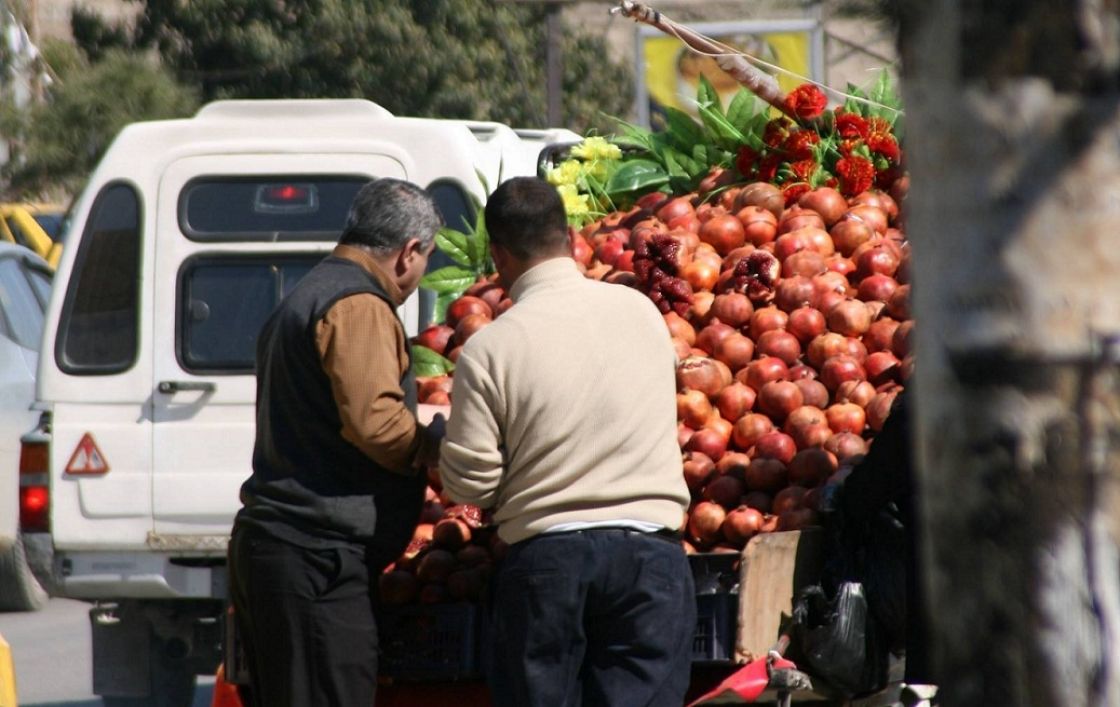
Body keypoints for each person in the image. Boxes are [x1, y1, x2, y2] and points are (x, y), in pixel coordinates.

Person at [439, 176, 695, 707]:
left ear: (498, 255)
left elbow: (471, 485)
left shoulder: (490, 350)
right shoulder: (641, 312)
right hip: (651, 560)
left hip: (548, 567)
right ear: (571, 236)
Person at [228, 178, 445, 707]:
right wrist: (436, 447)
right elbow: (375, 422)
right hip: (315, 559)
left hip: (285, 552)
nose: (419, 277)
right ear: (408, 252)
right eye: (425, 261)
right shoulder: (358, 306)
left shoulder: (308, 294)